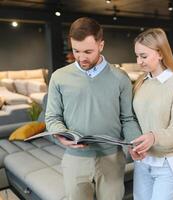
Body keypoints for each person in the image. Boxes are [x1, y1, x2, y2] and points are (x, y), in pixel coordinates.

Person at [45, 17, 141, 200]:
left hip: (112, 159)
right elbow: (52, 117)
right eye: (76, 51)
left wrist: (133, 145)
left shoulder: (120, 78)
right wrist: (60, 134)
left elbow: (127, 119)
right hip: (75, 159)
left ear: (101, 45)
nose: (81, 58)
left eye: (88, 51)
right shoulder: (59, 77)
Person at [129, 28, 173, 200]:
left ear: (160, 53)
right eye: (137, 56)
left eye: (144, 56)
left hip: (167, 166)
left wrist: (154, 137)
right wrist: (134, 144)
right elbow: (136, 120)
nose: (139, 61)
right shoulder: (141, 82)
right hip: (143, 162)